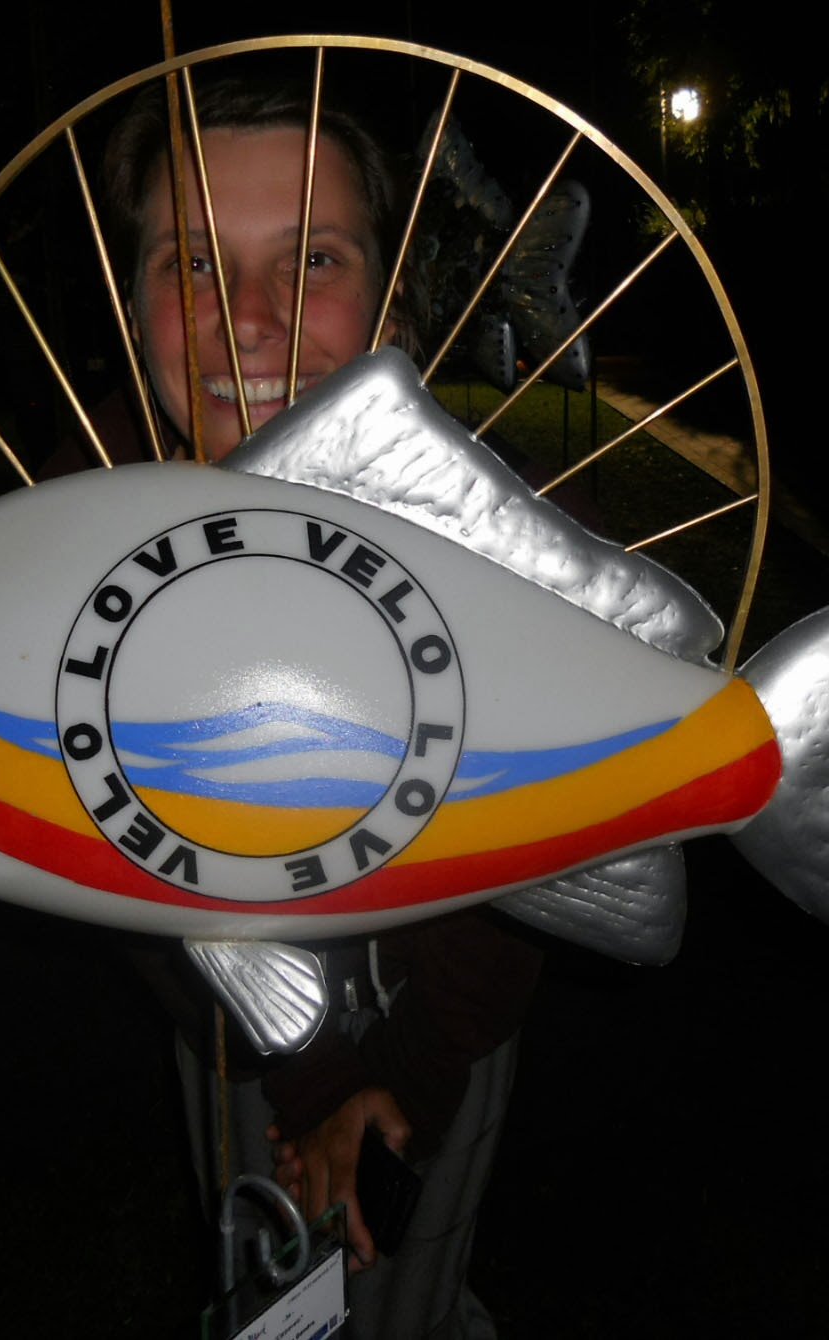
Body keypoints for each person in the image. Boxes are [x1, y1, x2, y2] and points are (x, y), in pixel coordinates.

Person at [84, 76, 545, 1338]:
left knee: (408, 1297)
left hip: (440, 1020)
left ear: (390, 303)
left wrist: (397, 1076)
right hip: (228, 1029)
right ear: (131, 305)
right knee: (265, 1285)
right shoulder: (75, 531)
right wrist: (303, 1071)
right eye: (193, 261)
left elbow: (544, 846)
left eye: (314, 258)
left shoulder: (505, 538)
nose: (250, 320)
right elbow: (92, 840)